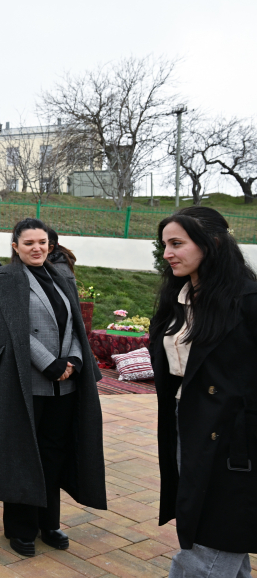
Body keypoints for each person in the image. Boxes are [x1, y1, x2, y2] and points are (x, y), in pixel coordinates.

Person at [0, 217, 106, 557]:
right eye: (29, 243)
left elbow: (75, 327)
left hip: (63, 386)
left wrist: (76, 361)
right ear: (16, 247)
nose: (37, 248)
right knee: (22, 453)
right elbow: (10, 328)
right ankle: (20, 528)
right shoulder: (5, 279)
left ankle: (48, 522)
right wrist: (49, 363)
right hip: (24, 383)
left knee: (53, 453)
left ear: (50, 245)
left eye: (42, 242)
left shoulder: (62, 275)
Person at [149, 207, 256, 577]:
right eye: (164, 244)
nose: (166, 253)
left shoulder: (249, 300)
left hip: (235, 441)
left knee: (208, 545)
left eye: (177, 243)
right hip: (187, 423)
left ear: (211, 244)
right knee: (222, 535)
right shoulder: (176, 298)